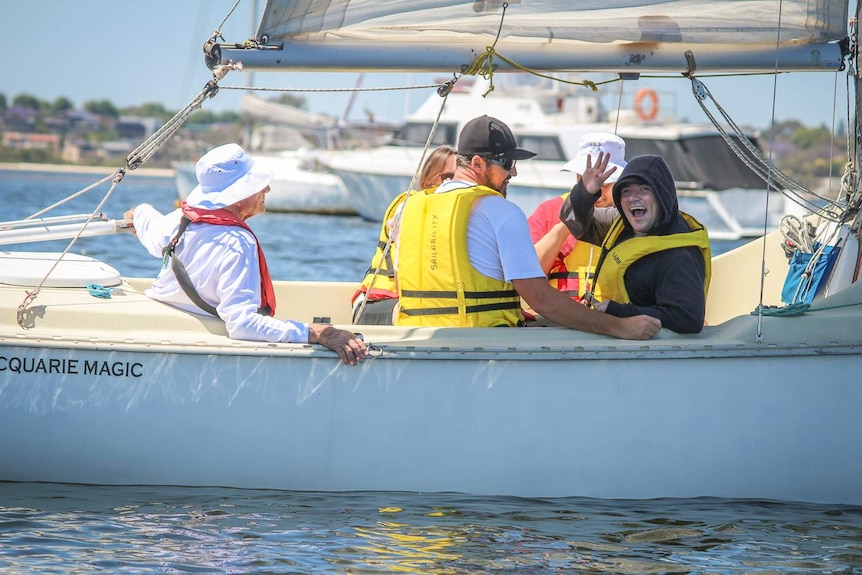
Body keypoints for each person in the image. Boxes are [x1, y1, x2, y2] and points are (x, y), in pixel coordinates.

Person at [392, 115, 661, 340]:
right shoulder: (500, 211)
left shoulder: (407, 208)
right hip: (480, 347)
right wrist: (620, 327)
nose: (514, 173)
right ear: (477, 164)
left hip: (418, 343)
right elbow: (540, 299)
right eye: (508, 164)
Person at [125, 143, 368, 365]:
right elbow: (243, 325)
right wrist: (318, 333)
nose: (268, 189)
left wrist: (137, 213)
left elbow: (146, 221)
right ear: (240, 195)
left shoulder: (179, 220)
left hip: (162, 327)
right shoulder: (237, 242)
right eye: (259, 185)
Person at [560, 152, 711, 334]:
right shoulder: (621, 224)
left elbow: (688, 319)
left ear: (662, 195)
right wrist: (584, 192)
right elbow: (573, 221)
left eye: (644, 189)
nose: (633, 198)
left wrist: (618, 311)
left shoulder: (680, 255)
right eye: (626, 191)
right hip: (615, 336)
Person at [351, 145, 457, 325]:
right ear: (430, 177)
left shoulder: (451, 215)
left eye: (458, 178)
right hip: (374, 304)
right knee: (422, 313)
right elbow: (402, 271)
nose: (452, 183)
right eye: (447, 176)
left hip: (413, 305)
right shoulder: (409, 208)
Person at [528, 132, 627, 303]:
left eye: (604, 183)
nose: (595, 190)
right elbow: (528, 274)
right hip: (558, 321)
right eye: (586, 180)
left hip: (613, 321)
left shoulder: (632, 219)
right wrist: (565, 226)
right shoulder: (548, 211)